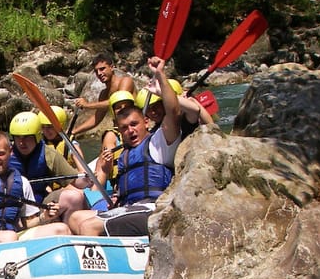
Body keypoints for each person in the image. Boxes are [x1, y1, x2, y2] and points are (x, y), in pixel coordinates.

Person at [66, 56, 181, 237]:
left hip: (153, 209)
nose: (130, 131)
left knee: (89, 226)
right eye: (124, 128)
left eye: (134, 124)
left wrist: (160, 74)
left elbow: (173, 112)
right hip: (129, 208)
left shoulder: (158, 143)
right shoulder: (125, 153)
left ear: (146, 122)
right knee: (75, 218)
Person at [8, 111, 90, 226]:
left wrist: (86, 178)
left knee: (74, 196)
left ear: (37, 136)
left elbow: (77, 182)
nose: (22, 143)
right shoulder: (4, 154)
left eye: (27, 137)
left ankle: (70, 233)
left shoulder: (48, 154)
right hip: (11, 207)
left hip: (39, 204)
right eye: (18, 137)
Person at [71, 53, 135, 138]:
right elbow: (97, 118)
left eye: (102, 69)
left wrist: (87, 105)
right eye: (96, 71)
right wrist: (74, 132)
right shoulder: (104, 94)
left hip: (133, 129)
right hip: (119, 131)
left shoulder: (126, 81)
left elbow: (116, 102)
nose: (99, 73)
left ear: (111, 67)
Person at [135, 78, 213, 139]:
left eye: (156, 106)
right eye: (148, 109)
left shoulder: (185, 120)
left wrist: (192, 101)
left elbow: (210, 125)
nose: (153, 112)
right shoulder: (154, 130)